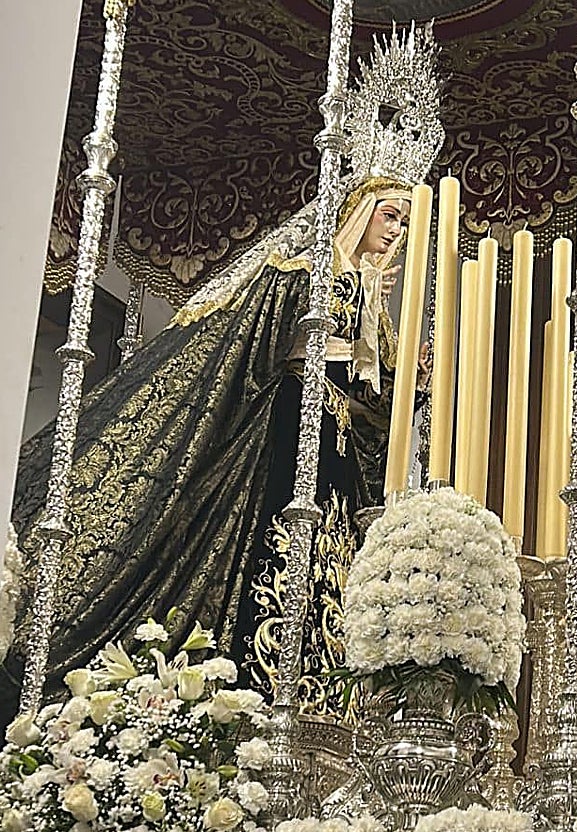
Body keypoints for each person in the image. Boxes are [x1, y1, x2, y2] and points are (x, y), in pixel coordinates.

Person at [2, 175, 432, 720]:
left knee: (333, 560)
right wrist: (340, 317)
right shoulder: (302, 272)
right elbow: (256, 343)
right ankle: (256, 686)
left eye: (405, 223)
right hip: (287, 426)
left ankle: (325, 704)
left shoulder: (379, 309)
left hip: (335, 445)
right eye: (389, 215)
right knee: (272, 548)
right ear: (358, 212)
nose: (396, 231)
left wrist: (411, 384)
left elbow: (372, 406)